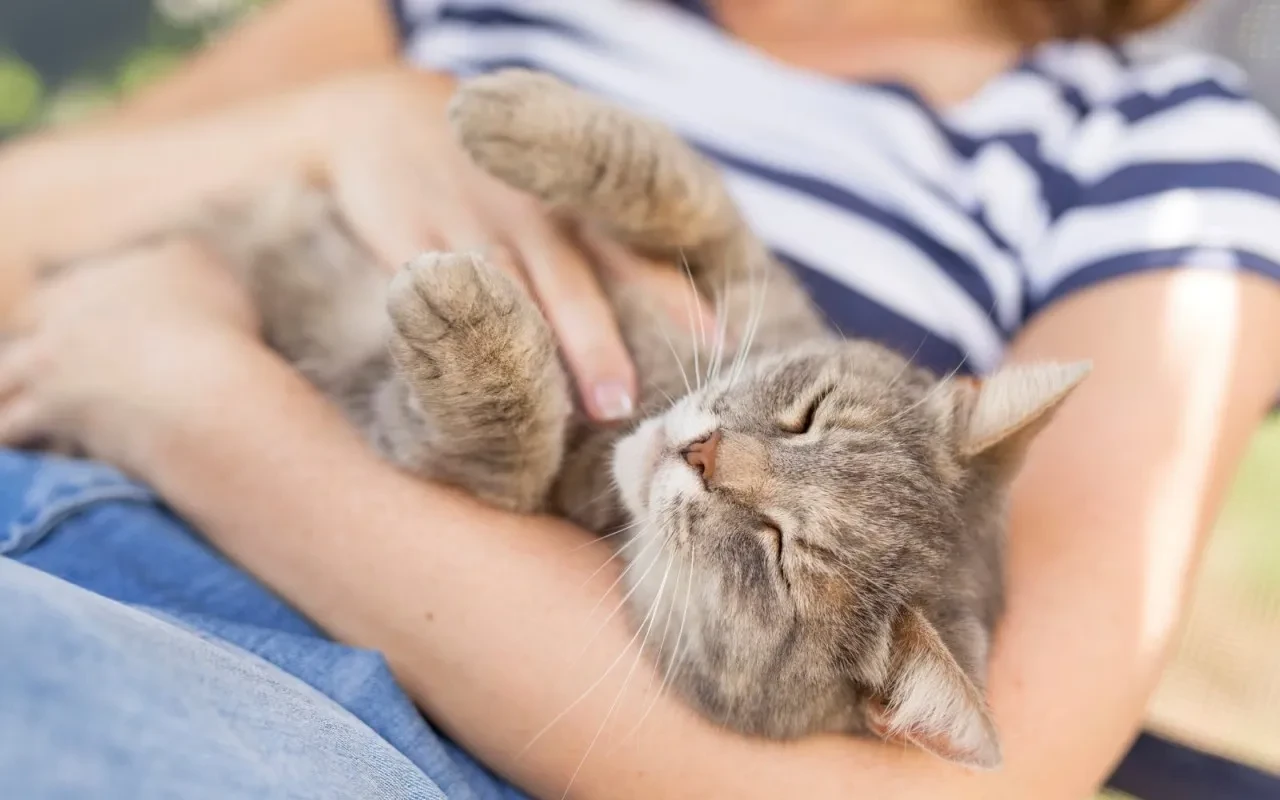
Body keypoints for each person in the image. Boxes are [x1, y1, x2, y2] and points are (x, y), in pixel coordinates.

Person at [2, 0, 1279, 797]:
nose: (728, 456)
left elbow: (977, 793)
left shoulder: (1155, 154)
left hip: (321, 706)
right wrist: (342, 121)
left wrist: (201, 409)